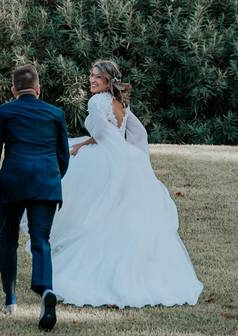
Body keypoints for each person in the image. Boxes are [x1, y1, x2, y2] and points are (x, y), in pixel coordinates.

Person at [46, 59, 204, 307]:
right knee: (124, 218)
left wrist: (81, 145)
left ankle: (94, 275)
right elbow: (139, 134)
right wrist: (135, 157)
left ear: (108, 81)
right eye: (91, 75)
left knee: (96, 214)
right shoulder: (121, 103)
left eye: (97, 77)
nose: (92, 80)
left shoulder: (97, 101)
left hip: (107, 163)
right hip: (128, 163)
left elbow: (101, 135)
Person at [0, 64, 70, 331]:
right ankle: (46, 290)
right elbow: (63, 156)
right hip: (45, 184)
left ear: (13, 89)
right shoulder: (55, 113)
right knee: (41, 240)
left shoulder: (4, 111)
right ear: (38, 89)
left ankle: (10, 300)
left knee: (8, 239)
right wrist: (51, 179)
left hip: (12, 184)